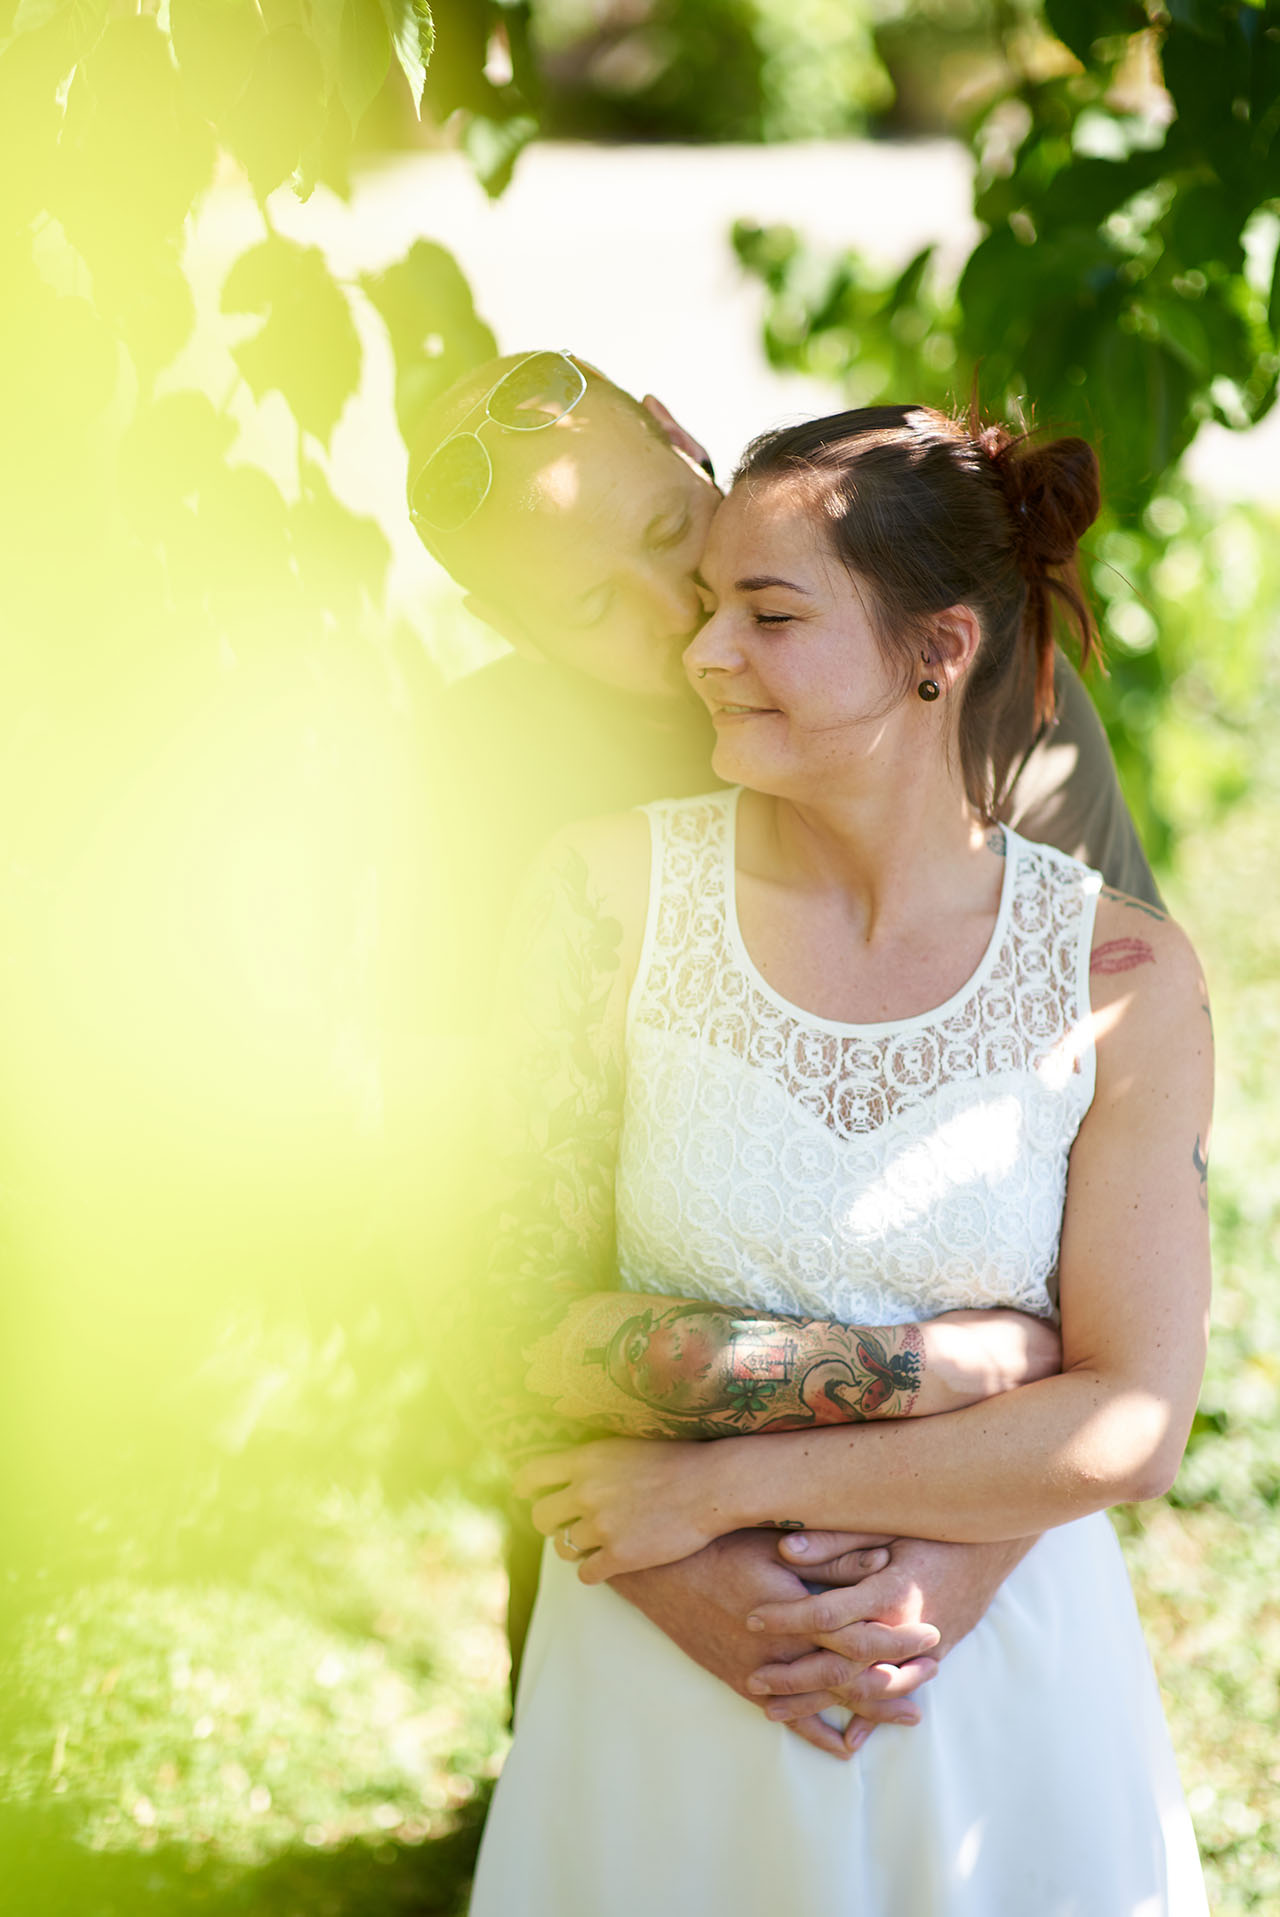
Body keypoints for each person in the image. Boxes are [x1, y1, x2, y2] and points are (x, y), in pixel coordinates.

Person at [461, 402, 1212, 1912]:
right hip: (654, 1687)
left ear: (936, 648)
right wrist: (958, 1373)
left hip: (991, 1674)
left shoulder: (1121, 971)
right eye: (708, 603)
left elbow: (1136, 1413)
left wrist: (713, 1489)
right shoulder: (598, 898)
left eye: (770, 614)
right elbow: (506, 1327)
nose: (700, 651)